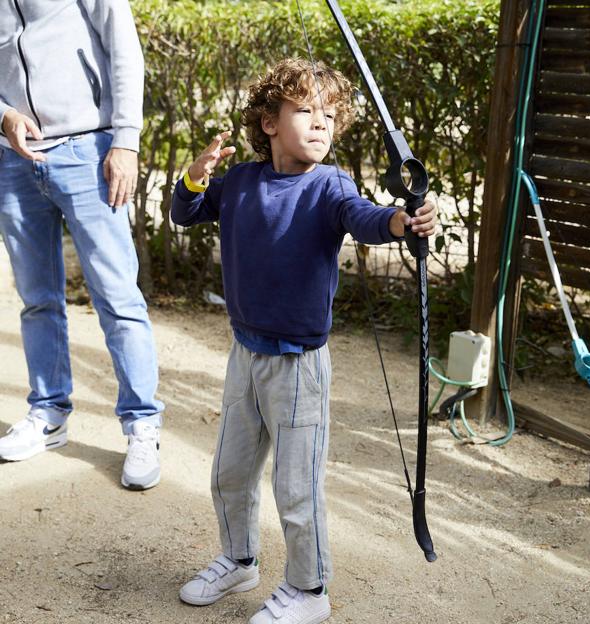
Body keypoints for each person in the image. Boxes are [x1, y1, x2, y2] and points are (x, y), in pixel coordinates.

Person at [171, 58, 437, 624]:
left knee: (296, 487)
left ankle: (309, 590)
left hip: (298, 366)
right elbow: (185, 211)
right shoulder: (241, 181)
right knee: (231, 472)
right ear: (269, 123)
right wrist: (195, 175)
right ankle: (240, 558)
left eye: (331, 114)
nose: (322, 123)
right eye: (306, 110)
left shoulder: (330, 185)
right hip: (245, 353)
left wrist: (402, 220)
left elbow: (365, 218)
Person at [0, 0, 163, 490]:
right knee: (37, 299)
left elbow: (123, 48)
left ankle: (141, 425)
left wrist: (126, 140)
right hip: (13, 160)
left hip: (88, 149)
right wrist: (4, 114)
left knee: (118, 297)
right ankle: (48, 413)